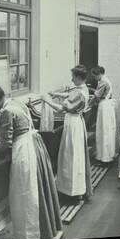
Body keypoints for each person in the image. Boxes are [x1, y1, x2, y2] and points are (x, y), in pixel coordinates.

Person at [0, 84, 62, 239]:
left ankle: (29, 236)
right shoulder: (16, 102)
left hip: (23, 150)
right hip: (33, 144)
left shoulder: (6, 111)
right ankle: (43, 229)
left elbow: (6, 143)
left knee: (23, 193)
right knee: (36, 189)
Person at [43, 65, 92, 202]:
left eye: (73, 77)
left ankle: (71, 192)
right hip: (77, 122)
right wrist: (57, 94)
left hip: (73, 123)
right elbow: (71, 95)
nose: (71, 79)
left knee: (71, 155)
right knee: (75, 155)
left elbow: (61, 109)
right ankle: (75, 189)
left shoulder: (78, 92)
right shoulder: (83, 88)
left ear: (78, 77)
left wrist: (46, 101)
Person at [90, 66, 117, 164]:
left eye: (94, 76)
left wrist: (88, 105)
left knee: (103, 131)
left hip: (104, 107)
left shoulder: (103, 82)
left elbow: (96, 96)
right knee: (108, 130)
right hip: (108, 106)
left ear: (98, 74)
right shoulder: (106, 80)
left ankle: (104, 157)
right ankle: (107, 154)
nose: (94, 78)